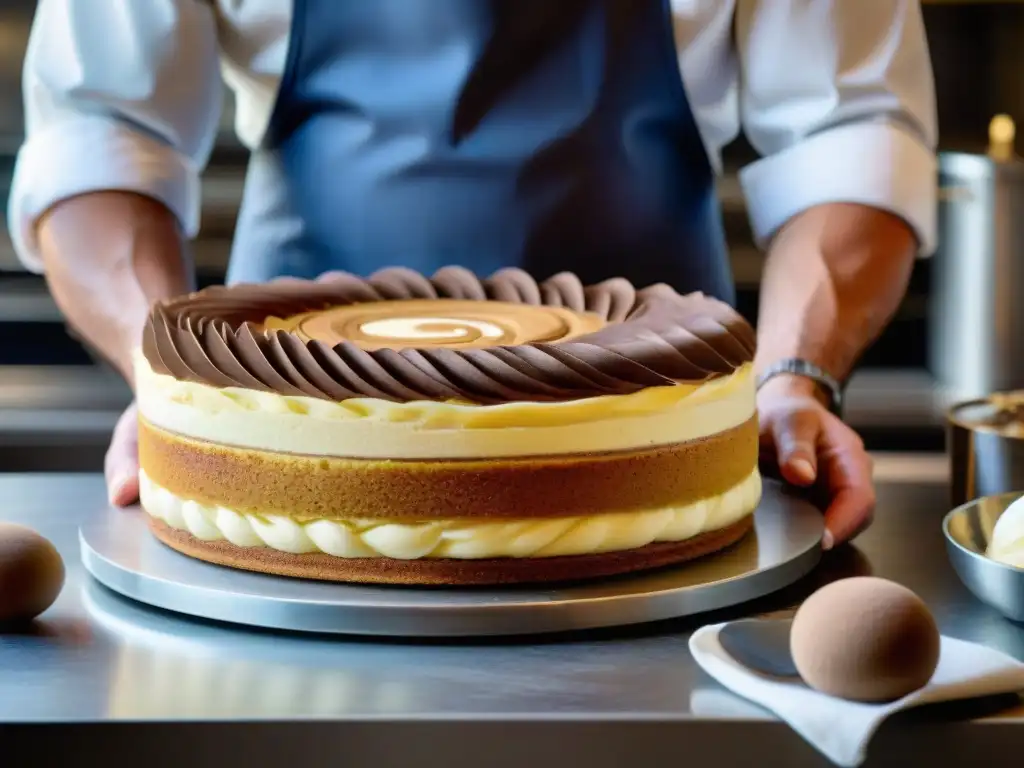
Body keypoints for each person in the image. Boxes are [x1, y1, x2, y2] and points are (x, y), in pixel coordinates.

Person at [9, 1, 936, 551]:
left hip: (668, 465)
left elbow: (845, 135)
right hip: (284, 459)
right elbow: (102, 132)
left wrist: (792, 376)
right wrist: (180, 393)